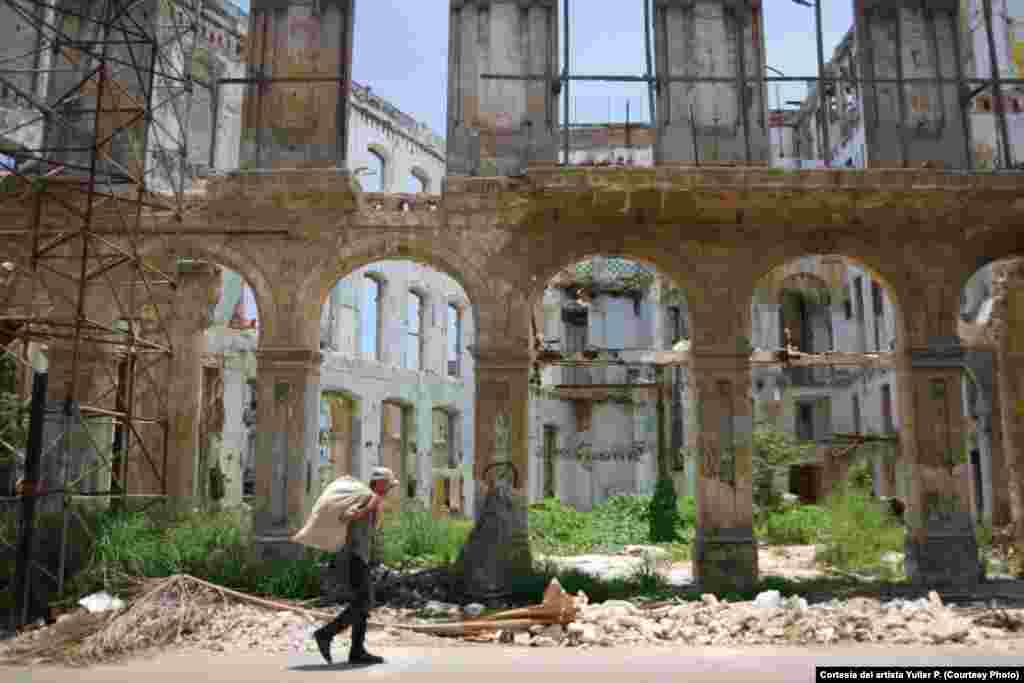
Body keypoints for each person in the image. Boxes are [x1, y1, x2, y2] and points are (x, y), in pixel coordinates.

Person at [313, 466, 398, 666]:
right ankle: (326, 634)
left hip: (361, 557)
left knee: (363, 604)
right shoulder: (367, 497)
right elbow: (346, 516)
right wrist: (369, 507)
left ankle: (357, 651)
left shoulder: (372, 499)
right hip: (354, 557)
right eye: (388, 485)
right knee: (364, 603)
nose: (390, 489)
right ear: (380, 483)